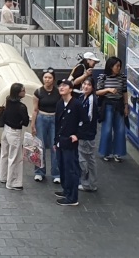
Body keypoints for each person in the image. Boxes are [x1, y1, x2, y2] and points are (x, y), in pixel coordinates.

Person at [54, 79, 83, 207]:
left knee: (71, 169)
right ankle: (66, 190)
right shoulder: (60, 103)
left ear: (70, 89)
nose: (61, 87)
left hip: (70, 142)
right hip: (60, 141)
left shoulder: (76, 104)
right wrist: (55, 141)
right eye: (60, 86)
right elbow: (57, 123)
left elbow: (85, 122)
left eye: (65, 86)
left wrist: (77, 135)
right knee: (62, 167)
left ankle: (72, 197)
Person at [30, 69, 61, 184]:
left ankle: (56, 173)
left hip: (54, 118)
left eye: (50, 78)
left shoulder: (58, 92)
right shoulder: (38, 92)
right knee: (39, 145)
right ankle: (39, 172)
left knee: (55, 146)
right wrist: (33, 124)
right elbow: (35, 109)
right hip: (41, 118)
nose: (47, 80)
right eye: (45, 77)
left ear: (53, 79)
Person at [0, 82, 30, 190]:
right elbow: (26, 122)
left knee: (4, 154)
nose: (25, 92)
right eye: (23, 90)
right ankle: (13, 182)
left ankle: (3, 177)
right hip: (15, 132)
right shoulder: (22, 107)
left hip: (5, 130)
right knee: (15, 158)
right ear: (18, 93)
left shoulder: (8, 100)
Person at [97, 56, 129, 162]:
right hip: (108, 105)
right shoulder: (103, 77)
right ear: (111, 66)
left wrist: (126, 105)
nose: (119, 68)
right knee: (107, 129)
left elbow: (124, 92)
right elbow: (97, 92)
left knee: (120, 129)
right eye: (117, 66)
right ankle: (106, 152)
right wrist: (108, 90)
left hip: (119, 104)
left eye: (120, 66)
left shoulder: (122, 77)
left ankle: (118, 153)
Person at [78, 77, 99, 193]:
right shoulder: (82, 97)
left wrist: (80, 130)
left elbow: (89, 118)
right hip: (84, 133)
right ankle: (89, 182)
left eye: (89, 85)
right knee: (86, 158)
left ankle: (89, 184)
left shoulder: (91, 100)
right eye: (84, 84)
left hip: (87, 134)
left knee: (87, 159)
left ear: (93, 87)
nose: (85, 86)